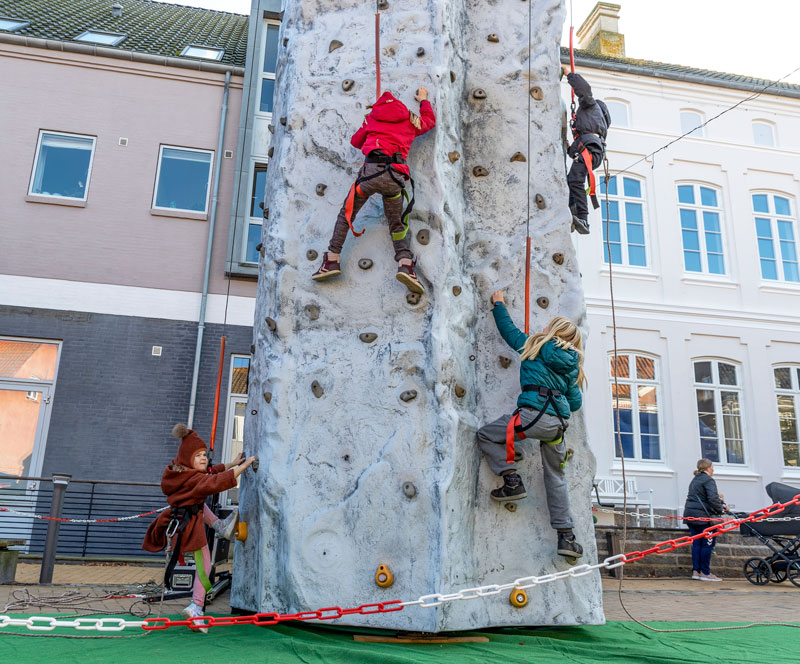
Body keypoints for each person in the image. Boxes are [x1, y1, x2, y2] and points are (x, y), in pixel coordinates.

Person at [476, 291, 585, 560]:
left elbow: (509, 332)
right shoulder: (573, 368)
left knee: (487, 435)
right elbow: (575, 404)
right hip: (557, 427)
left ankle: (512, 480)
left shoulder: (535, 345)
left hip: (530, 417)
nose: (543, 327)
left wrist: (499, 304)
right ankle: (566, 537)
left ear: (553, 331)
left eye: (548, 325)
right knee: (556, 477)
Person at [312, 86, 436, 294]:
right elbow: (429, 122)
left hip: (370, 175)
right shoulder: (409, 119)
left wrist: (368, 123)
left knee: (346, 215)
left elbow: (356, 142)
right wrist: (423, 100)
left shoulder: (372, 120)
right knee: (397, 225)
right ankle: (405, 264)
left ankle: (331, 260)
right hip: (394, 179)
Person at [143, 424, 256, 630]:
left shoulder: (180, 474)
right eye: (198, 456)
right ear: (188, 459)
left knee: (199, 503)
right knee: (204, 566)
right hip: (189, 528)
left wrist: (232, 462)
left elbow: (212, 471)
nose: (203, 458)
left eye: (204, 454)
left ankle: (219, 525)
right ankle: (196, 606)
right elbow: (216, 482)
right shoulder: (196, 481)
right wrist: (244, 466)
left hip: (181, 519)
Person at [561, 65, 611, 235]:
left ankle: (582, 216)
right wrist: (569, 148)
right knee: (572, 180)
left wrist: (569, 74)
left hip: (589, 149)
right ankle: (573, 209)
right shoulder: (597, 125)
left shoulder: (591, 107)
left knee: (575, 180)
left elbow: (585, 90)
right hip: (591, 150)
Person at [683, 458, 727, 582]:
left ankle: (696, 571)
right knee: (707, 545)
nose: (713, 469)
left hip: (690, 515)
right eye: (712, 466)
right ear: (708, 467)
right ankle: (705, 572)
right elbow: (713, 498)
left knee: (696, 544)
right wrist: (721, 510)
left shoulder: (695, 479)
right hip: (704, 518)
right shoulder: (709, 480)